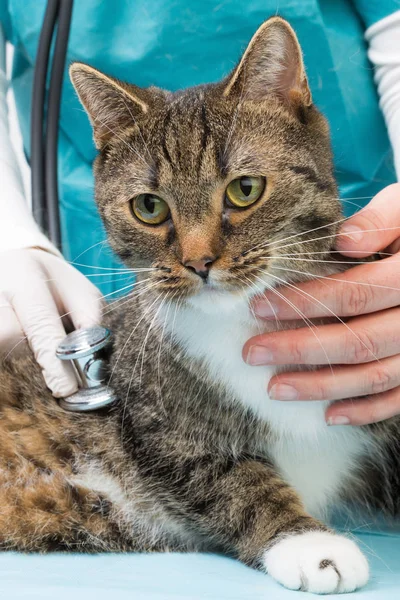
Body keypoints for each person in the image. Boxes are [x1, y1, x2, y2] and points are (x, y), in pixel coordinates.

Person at [0, 1, 399, 423]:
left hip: (357, 244)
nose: (198, 256)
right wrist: (9, 236)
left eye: (243, 190)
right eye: (150, 208)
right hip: (127, 292)